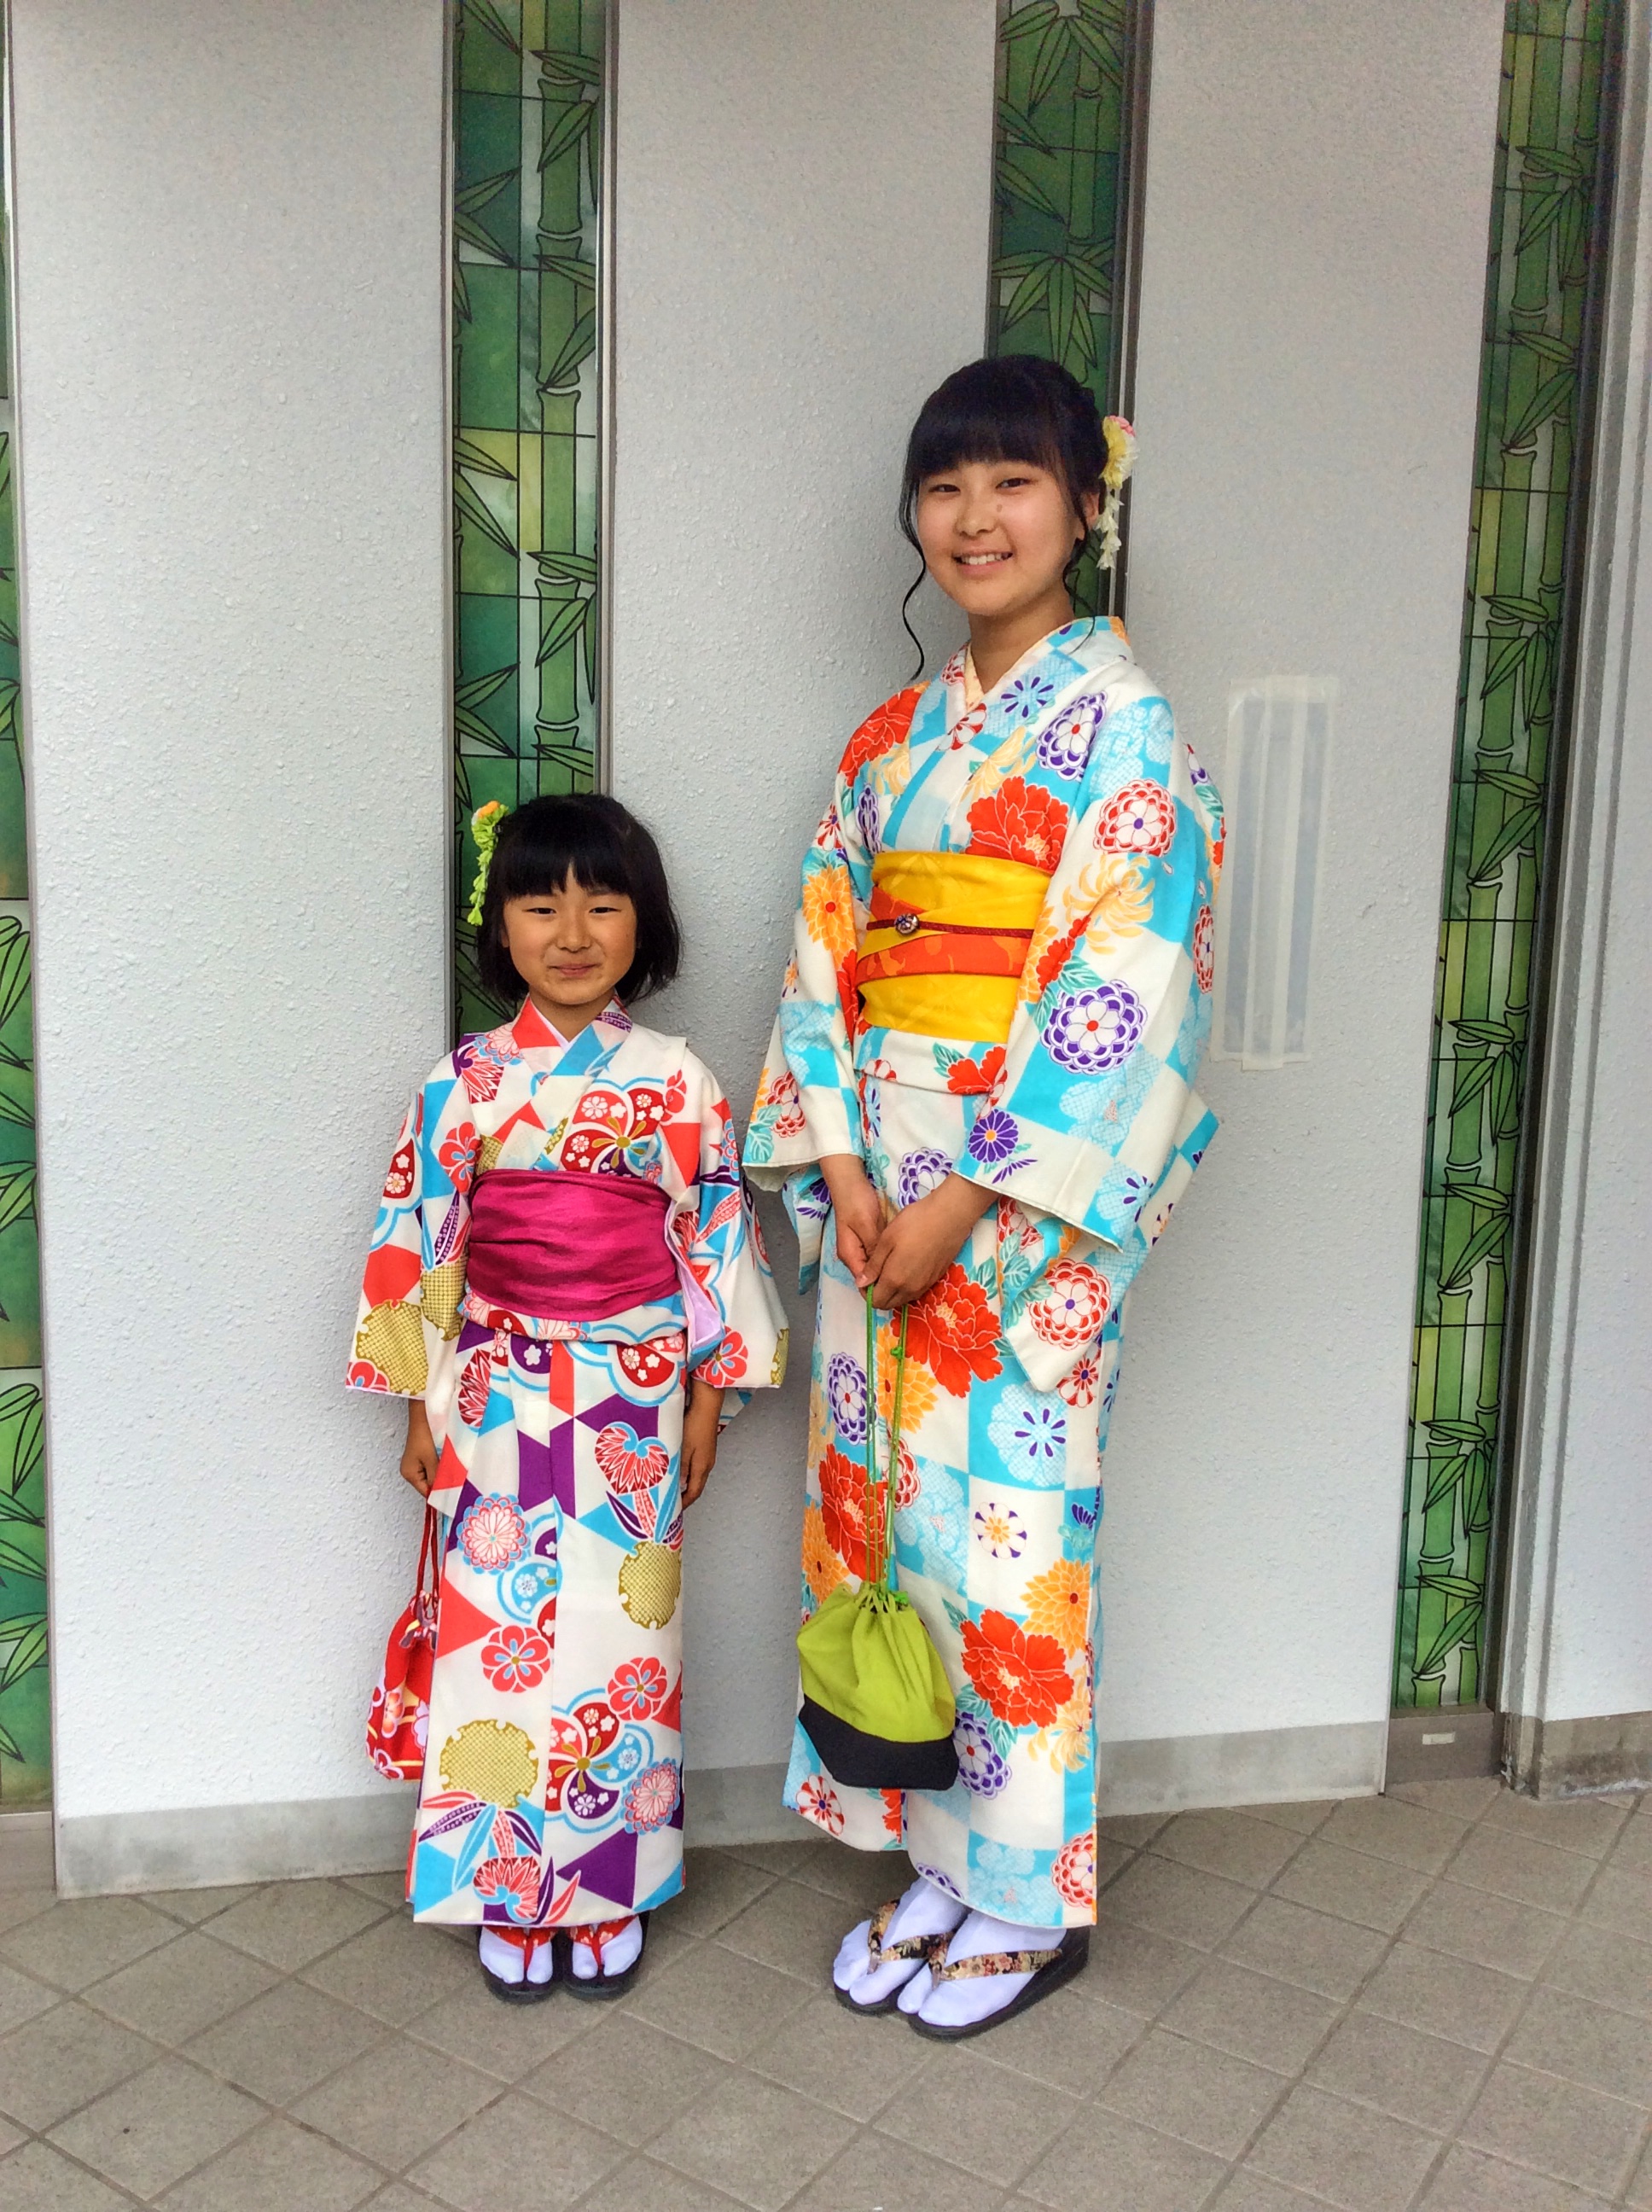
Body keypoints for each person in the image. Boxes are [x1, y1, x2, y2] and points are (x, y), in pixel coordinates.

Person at [745, 355, 1223, 2039]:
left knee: (1011, 1554)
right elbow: (825, 961)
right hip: (874, 1202)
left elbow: (1126, 995)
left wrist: (959, 1207)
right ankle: (935, 1858)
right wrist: (848, 1173)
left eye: (1013, 481)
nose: (974, 517)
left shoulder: (1128, 733)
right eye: (944, 486)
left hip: (1009, 1222)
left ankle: (1027, 1898)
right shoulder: (888, 741)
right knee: (885, 1532)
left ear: (1086, 505)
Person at [351, 794, 786, 2001]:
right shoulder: (463, 1084)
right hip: (494, 1390)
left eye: (604, 902)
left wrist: (708, 1404)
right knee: (497, 1640)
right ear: (502, 928)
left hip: (635, 1391)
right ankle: (507, 1887)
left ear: (646, 924)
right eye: (541, 904)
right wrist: (417, 1406)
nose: (574, 931)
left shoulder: (678, 1083)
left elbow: (716, 1246)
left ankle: (607, 1889)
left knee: (620, 1638)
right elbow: (420, 1243)